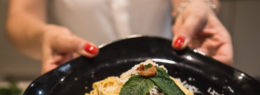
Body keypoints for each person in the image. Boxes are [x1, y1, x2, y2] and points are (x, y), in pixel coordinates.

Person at [5, 0, 233, 74]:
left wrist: (197, 5)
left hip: (165, 73)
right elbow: (21, 17)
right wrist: (44, 35)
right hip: (82, 78)